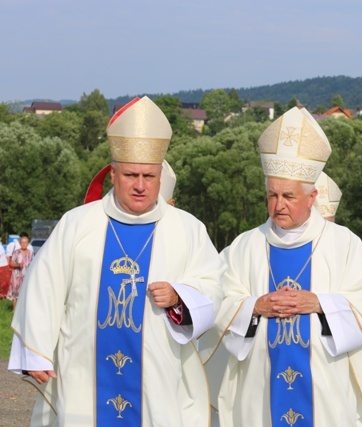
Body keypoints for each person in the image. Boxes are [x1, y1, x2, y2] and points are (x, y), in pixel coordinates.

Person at [9, 96, 224, 426]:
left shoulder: (187, 229)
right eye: (131, 175)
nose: (140, 186)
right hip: (83, 372)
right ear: (113, 174)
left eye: (149, 177)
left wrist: (182, 296)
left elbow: (214, 286)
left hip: (157, 375)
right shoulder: (77, 224)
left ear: (159, 176)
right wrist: (35, 349)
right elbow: (44, 285)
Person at [204, 107, 362, 426]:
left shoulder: (344, 245)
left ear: (312, 197)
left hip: (323, 383)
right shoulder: (245, 246)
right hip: (259, 387)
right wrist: (254, 306)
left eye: (288, 196)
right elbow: (215, 301)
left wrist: (323, 303)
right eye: (271, 195)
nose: (278, 205)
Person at [7, 235, 34, 310]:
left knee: (25, 292)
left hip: (26, 275)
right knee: (15, 293)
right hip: (16, 275)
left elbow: (33, 264)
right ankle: (14, 310)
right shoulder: (16, 252)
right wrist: (18, 264)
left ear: (28, 243)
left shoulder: (31, 253)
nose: (24, 244)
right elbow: (11, 263)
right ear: (20, 243)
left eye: (25, 243)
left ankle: (23, 310)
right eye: (22, 243)